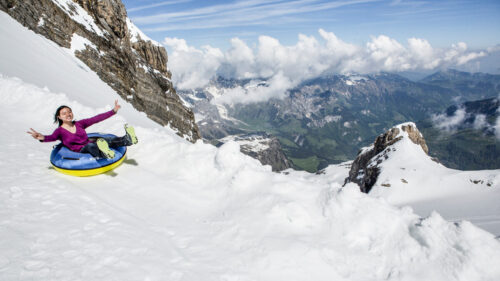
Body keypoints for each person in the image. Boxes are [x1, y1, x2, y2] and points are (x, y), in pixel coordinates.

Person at [28, 100, 138, 159]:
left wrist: (113, 111)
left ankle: (128, 139)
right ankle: (104, 154)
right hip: (80, 150)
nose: (68, 114)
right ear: (59, 117)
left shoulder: (79, 124)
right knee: (91, 146)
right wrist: (41, 137)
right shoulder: (60, 131)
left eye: (69, 111)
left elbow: (96, 119)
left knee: (107, 139)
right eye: (64, 113)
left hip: (89, 142)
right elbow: (51, 138)